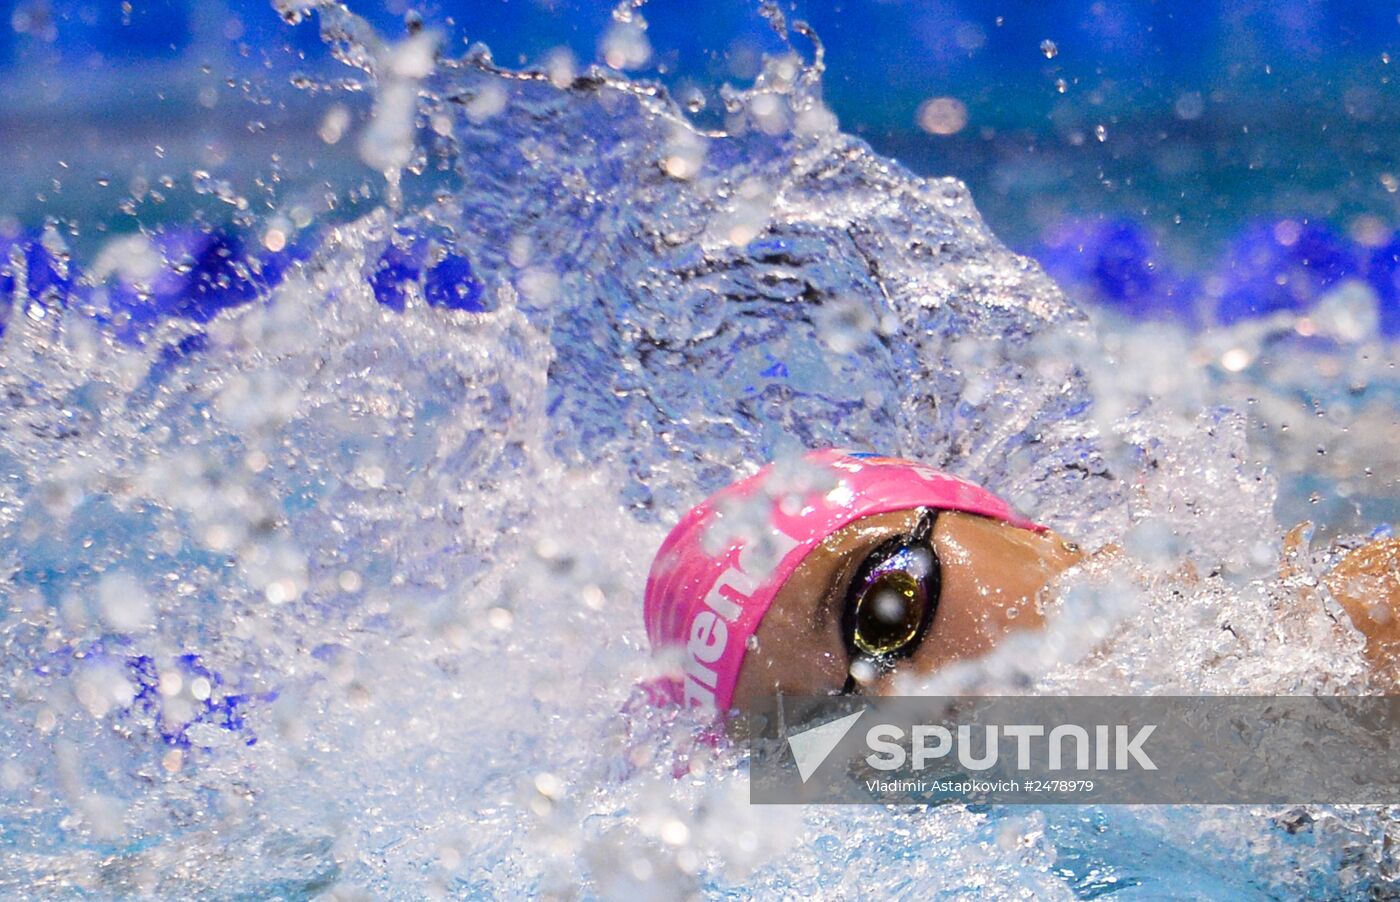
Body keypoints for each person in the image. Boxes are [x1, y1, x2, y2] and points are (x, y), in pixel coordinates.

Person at [643, 448, 1399, 716]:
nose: (892, 711)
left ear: (1020, 531)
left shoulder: (1370, 630)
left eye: (885, 612)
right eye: (820, 730)